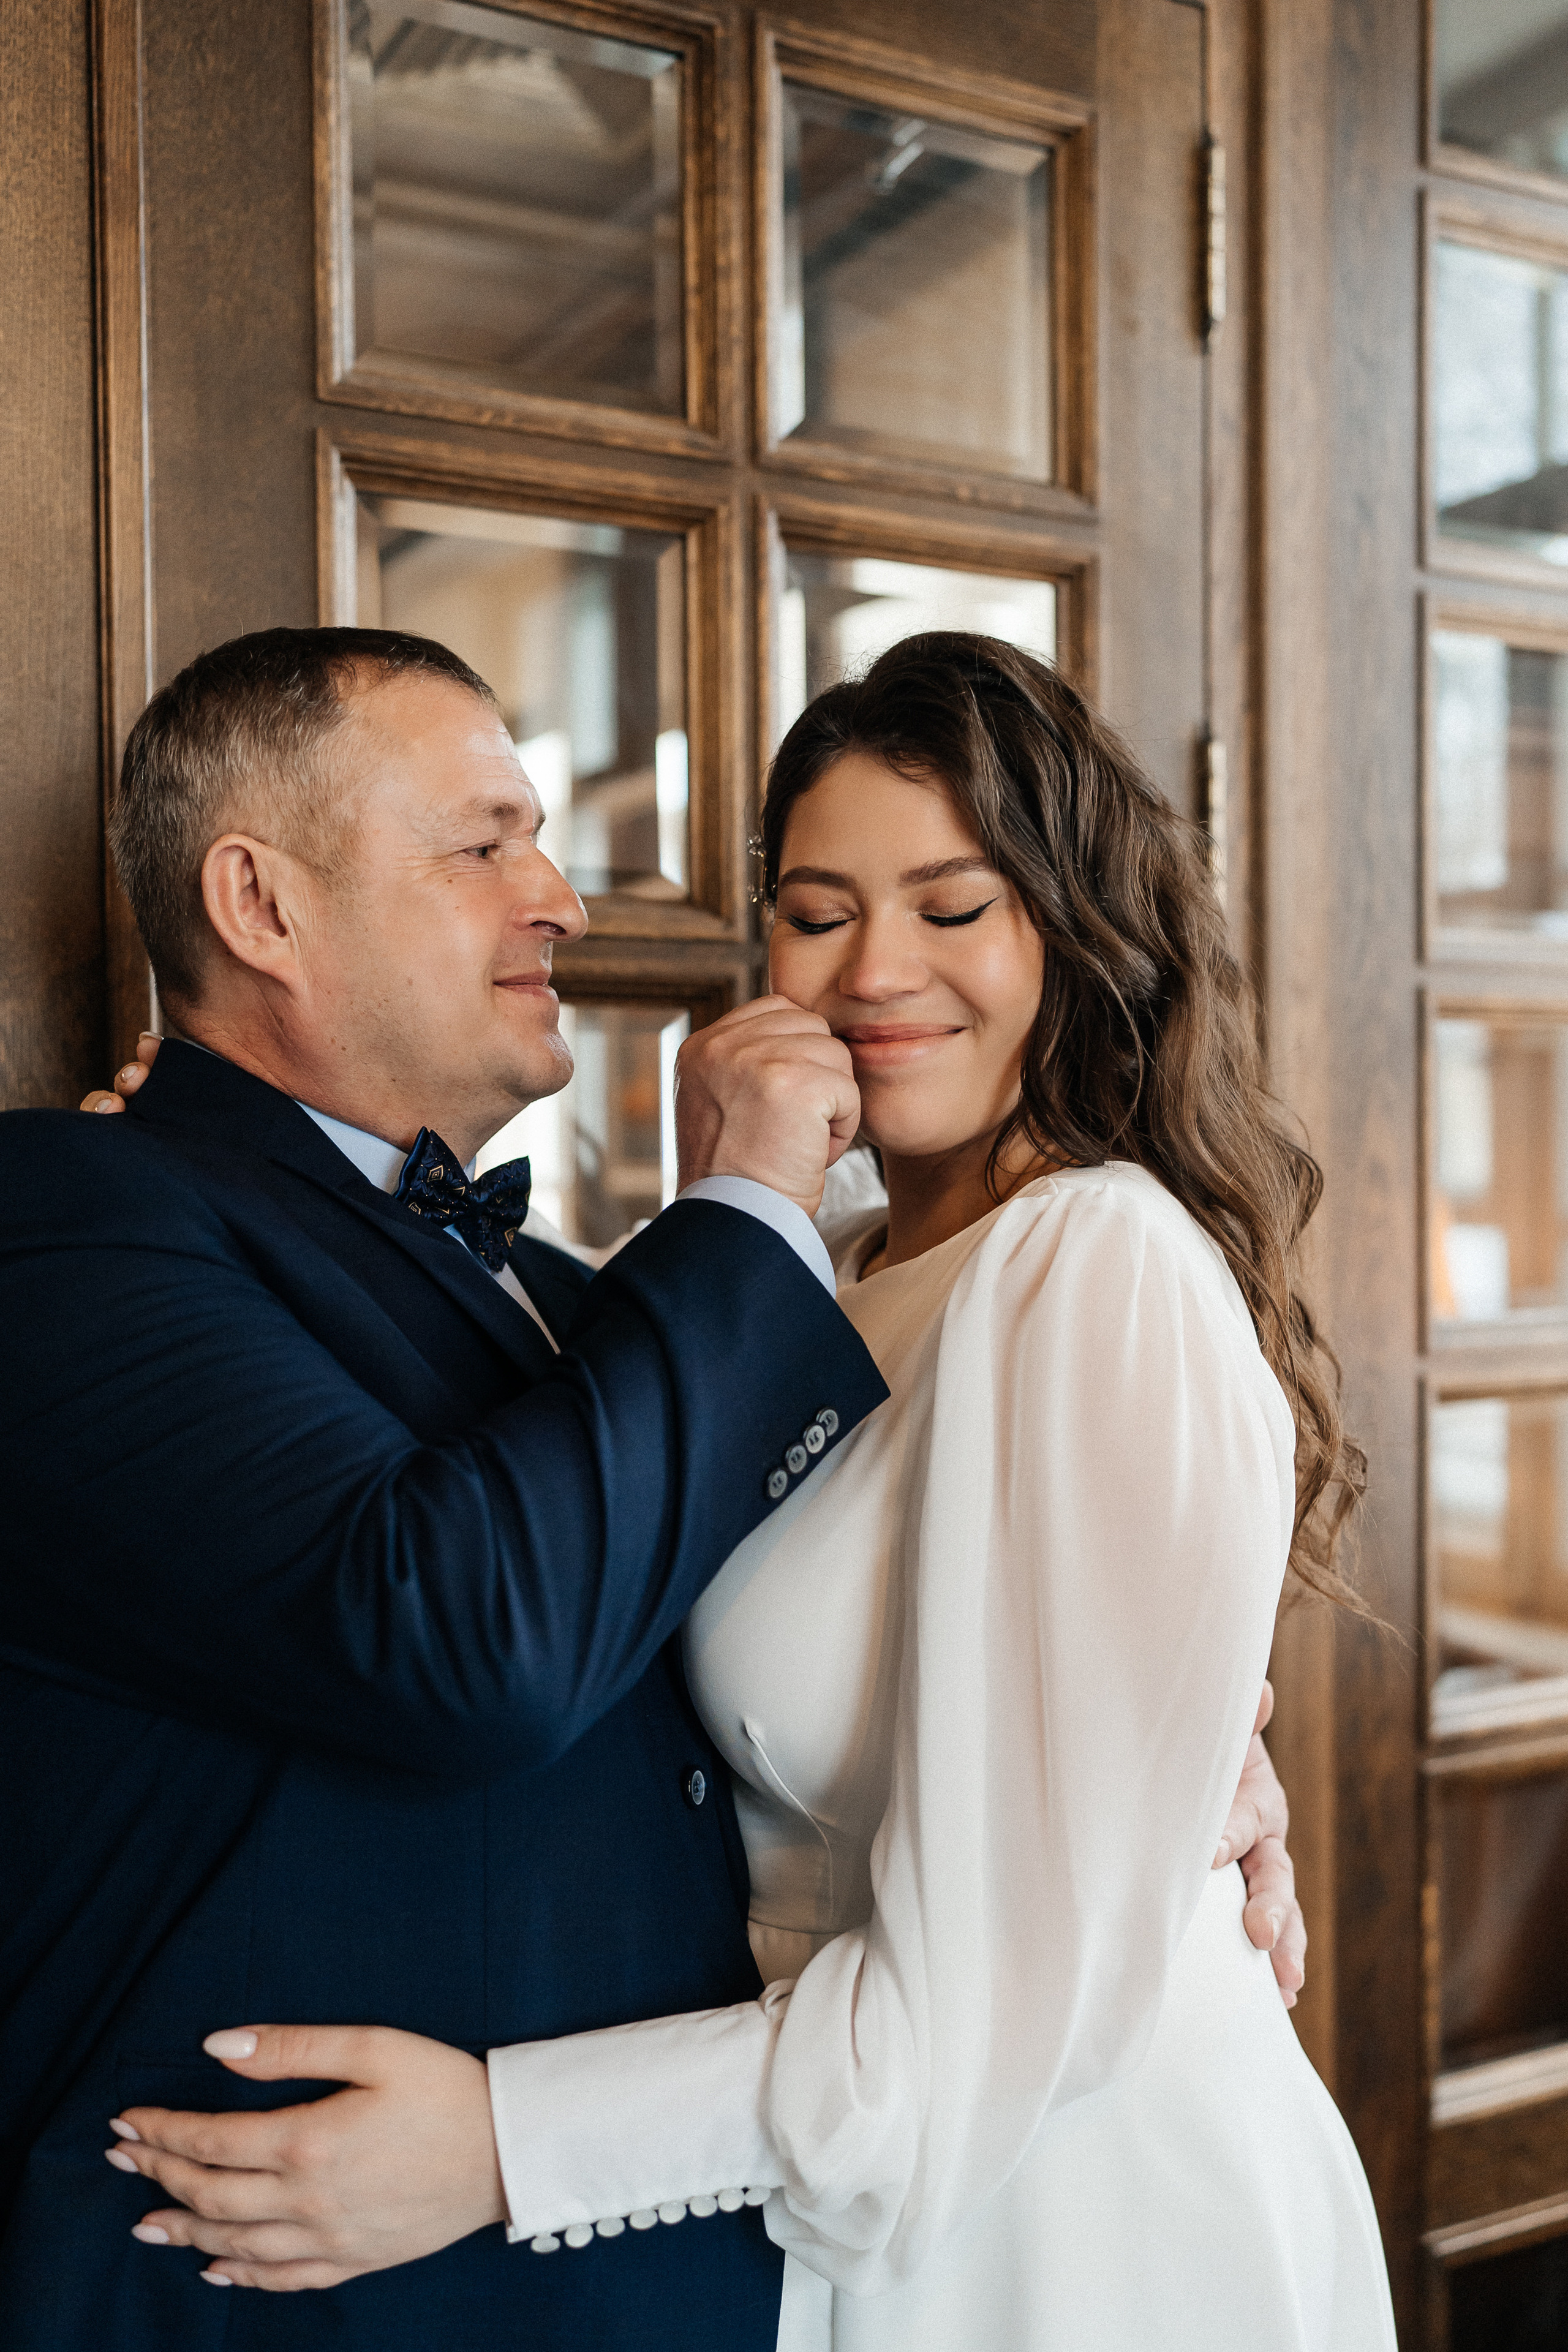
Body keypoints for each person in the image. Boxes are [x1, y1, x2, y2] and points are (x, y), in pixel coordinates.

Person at [94, 635, 1390, 2350]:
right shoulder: (811, 1281)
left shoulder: (1100, 1262)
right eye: (820, 909)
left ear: (1077, 935)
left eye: (955, 906)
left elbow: (998, 1991)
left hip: (1069, 2222)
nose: (876, 972)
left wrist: (502, 2146)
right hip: (811, 2215)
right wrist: (212, 1177)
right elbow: (582, 1533)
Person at [0, 625, 893, 2352]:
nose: (556, 892)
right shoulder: (65, 1220)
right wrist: (753, 1198)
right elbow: (461, 1637)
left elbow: (838, 1624)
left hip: (664, 2282)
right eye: (483, 841)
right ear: (260, 905)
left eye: (537, 838)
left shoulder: (574, 1303)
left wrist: (1165, 1728)